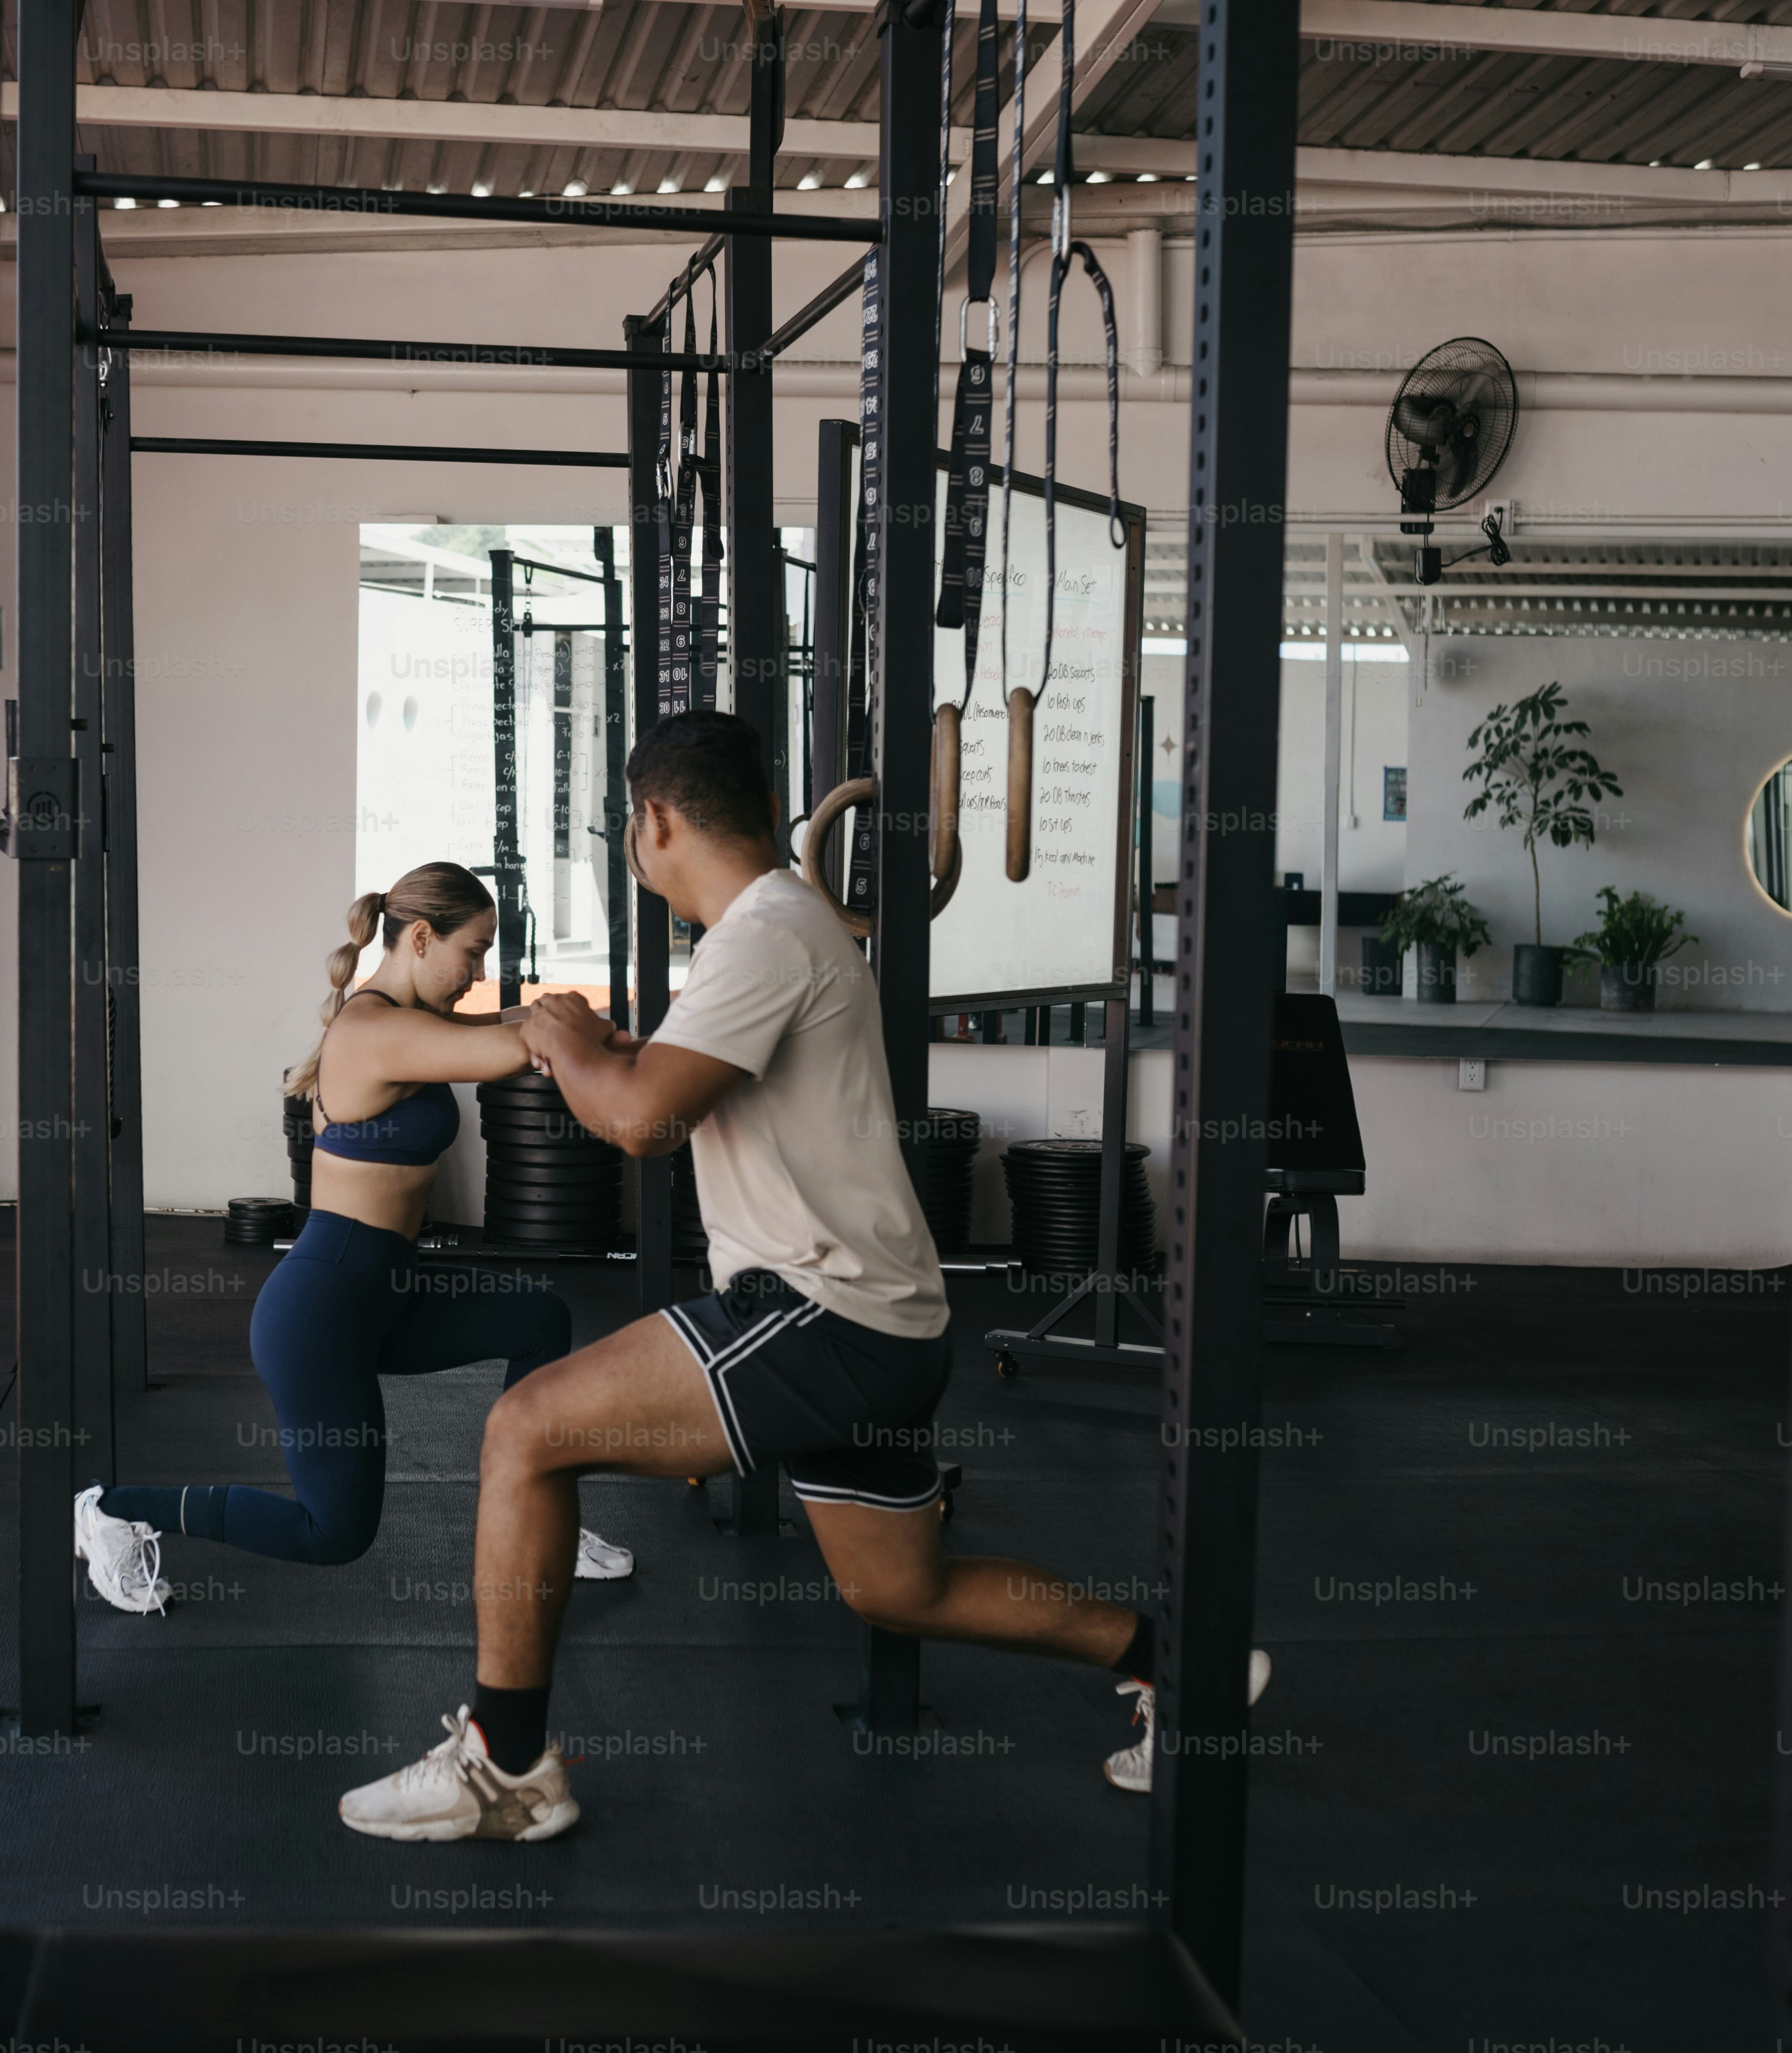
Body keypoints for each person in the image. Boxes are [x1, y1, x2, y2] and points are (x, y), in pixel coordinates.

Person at [334, 713, 1263, 1842]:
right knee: (898, 1590)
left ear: (654, 819)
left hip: (819, 1314)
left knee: (525, 1428)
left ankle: (507, 1760)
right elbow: (665, 1084)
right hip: (887, 1323)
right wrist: (592, 1050)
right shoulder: (764, 929)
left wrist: (558, 1030)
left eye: (631, 825)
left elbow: (637, 1123)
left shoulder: (765, 933)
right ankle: (1184, 1667)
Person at [74, 860, 635, 1614]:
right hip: (323, 1314)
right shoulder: (373, 1030)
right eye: (472, 951)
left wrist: (582, 1022)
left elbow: (500, 1025)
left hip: (387, 1295)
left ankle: (540, 1519)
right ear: (423, 937)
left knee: (541, 1318)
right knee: (333, 1532)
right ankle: (113, 1508)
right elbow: (509, 1050)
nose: (477, 971)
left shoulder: (409, 1022)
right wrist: (583, 1030)